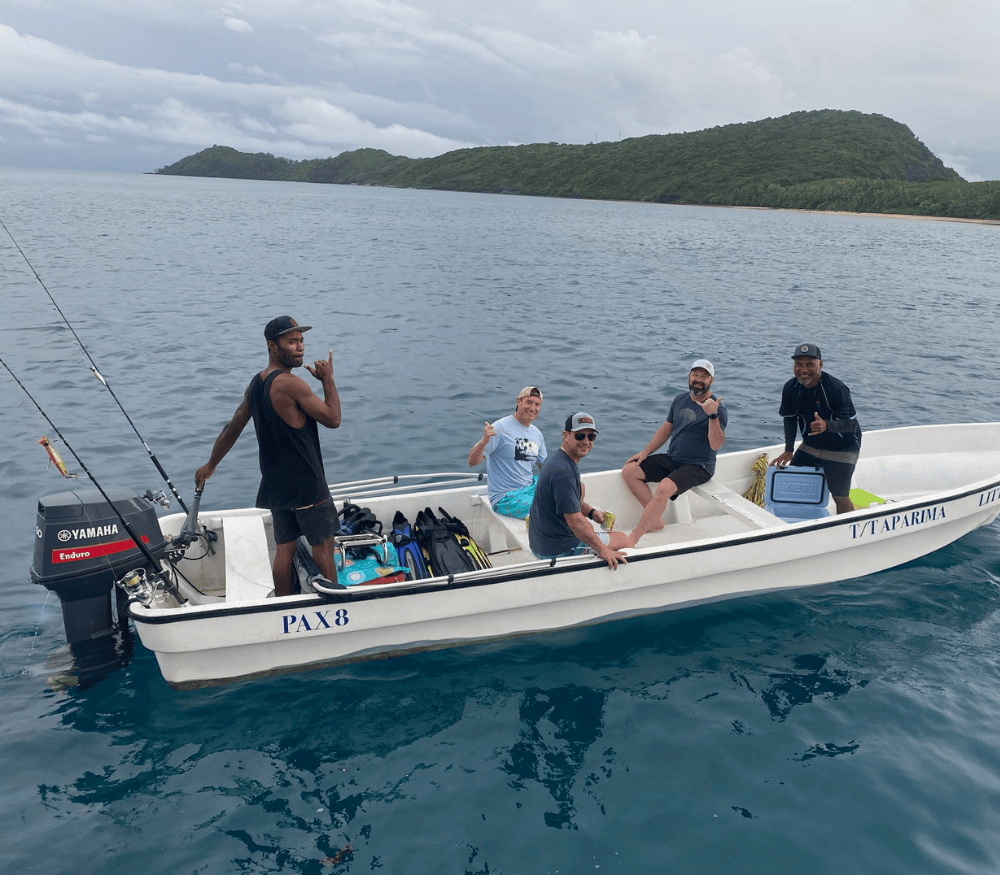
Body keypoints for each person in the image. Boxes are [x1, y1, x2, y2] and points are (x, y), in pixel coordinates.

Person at [195, 316, 342, 596]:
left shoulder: (256, 384)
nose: (299, 348)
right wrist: (328, 381)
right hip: (306, 483)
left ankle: (282, 604)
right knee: (323, 544)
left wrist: (210, 465)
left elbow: (232, 428)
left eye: (301, 341)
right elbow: (333, 419)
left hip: (276, 484)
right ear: (272, 346)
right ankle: (334, 602)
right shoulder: (291, 384)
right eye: (291, 342)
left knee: (285, 547)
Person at [620, 359, 727, 546]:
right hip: (673, 458)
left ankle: (634, 537)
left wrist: (712, 415)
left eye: (704, 376)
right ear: (689, 376)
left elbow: (716, 444)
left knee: (664, 487)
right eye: (695, 375)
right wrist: (645, 452)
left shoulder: (718, 409)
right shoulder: (679, 399)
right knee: (630, 471)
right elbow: (666, 429)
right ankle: (654, 521)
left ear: (711, 380)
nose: (698, 380)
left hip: (699, 466)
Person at [770, 343, 862, 514]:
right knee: (794, 484)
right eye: (799, 364)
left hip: (843, 447)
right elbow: (790, 419)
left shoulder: (836, 389)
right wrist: (789, 449)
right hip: (812, 445)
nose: (803, 369)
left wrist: (827, 425)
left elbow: (851, 424)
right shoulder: (791, 388)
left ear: (820, 364)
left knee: (840, 495)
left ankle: (846, 529)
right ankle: (799, 523)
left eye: (810, 364)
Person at [528, 412, 628, 569]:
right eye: (580, 436)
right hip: (556, 551)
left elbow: (571, 500)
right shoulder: (563, 472)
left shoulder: (558, 457)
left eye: (591, 437)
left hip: (541, 542)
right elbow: (574, 521)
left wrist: (592, 513)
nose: (586, 442)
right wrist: (604, 550)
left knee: (580, 488)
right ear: (565, 435)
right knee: (623, 539)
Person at [468, 386, 547, 518]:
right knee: (547, 507)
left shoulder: (536, 434)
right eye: (529, 402)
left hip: (529, 488)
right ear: (518, 402)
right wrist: (483, 442)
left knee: (571, 492)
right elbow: (472, 462)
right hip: (505, 497)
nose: (533, 408)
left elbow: (544, 467)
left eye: (537, 404)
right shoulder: (500, 428)